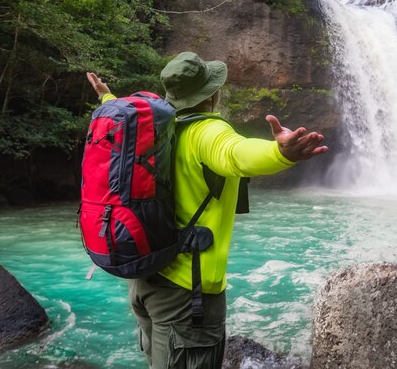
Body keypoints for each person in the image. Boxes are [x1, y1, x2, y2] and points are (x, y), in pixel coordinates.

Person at [86, 52, 327, 368]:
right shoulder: (207, 132)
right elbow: (236, 153)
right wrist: (280, 153)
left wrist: (106, 96)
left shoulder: (154, 129)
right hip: (186, 293)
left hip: (144, 278)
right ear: (213, 94)